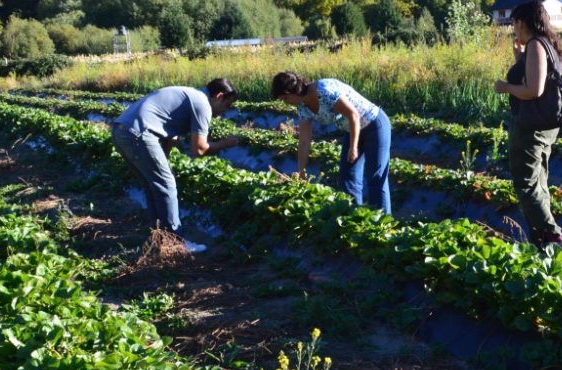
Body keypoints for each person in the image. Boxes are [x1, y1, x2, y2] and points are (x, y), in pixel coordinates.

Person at [111, 78, 240, 252]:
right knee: (166, 185)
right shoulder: (202, 104)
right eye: (227, 105)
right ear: (219, 96)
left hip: (121, 130)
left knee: (153, 185)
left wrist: (161, 160)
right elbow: (199, 149)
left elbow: (171, 136)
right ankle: (175, 242)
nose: (225, 111)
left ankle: (159, 238)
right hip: (139, 133)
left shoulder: (189, 95)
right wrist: (228, 143)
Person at [493, 0, 562, 254]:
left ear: (522, 22)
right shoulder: (543, 44)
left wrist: (504, 87)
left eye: (514, 23)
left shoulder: (536, 45)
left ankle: (554, 238)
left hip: (532, 127)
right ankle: (541, 241)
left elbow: (533, 90)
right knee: (538, 182)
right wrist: (519, 58)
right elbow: (534, 76)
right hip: (545, 126)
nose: (513, 29)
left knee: (527, 183)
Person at [271, 71, 392, 215]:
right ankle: (355, 217)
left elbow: (353, 115)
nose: (285, 103)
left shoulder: (324, 91)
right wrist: (302, 171)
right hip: (352, 129)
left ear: (292, 91)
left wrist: (353, 147)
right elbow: (304, 141)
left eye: (285, 98)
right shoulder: (303, 107)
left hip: (374, 124)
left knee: (375, 177)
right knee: (348, 175)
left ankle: (383, 225)